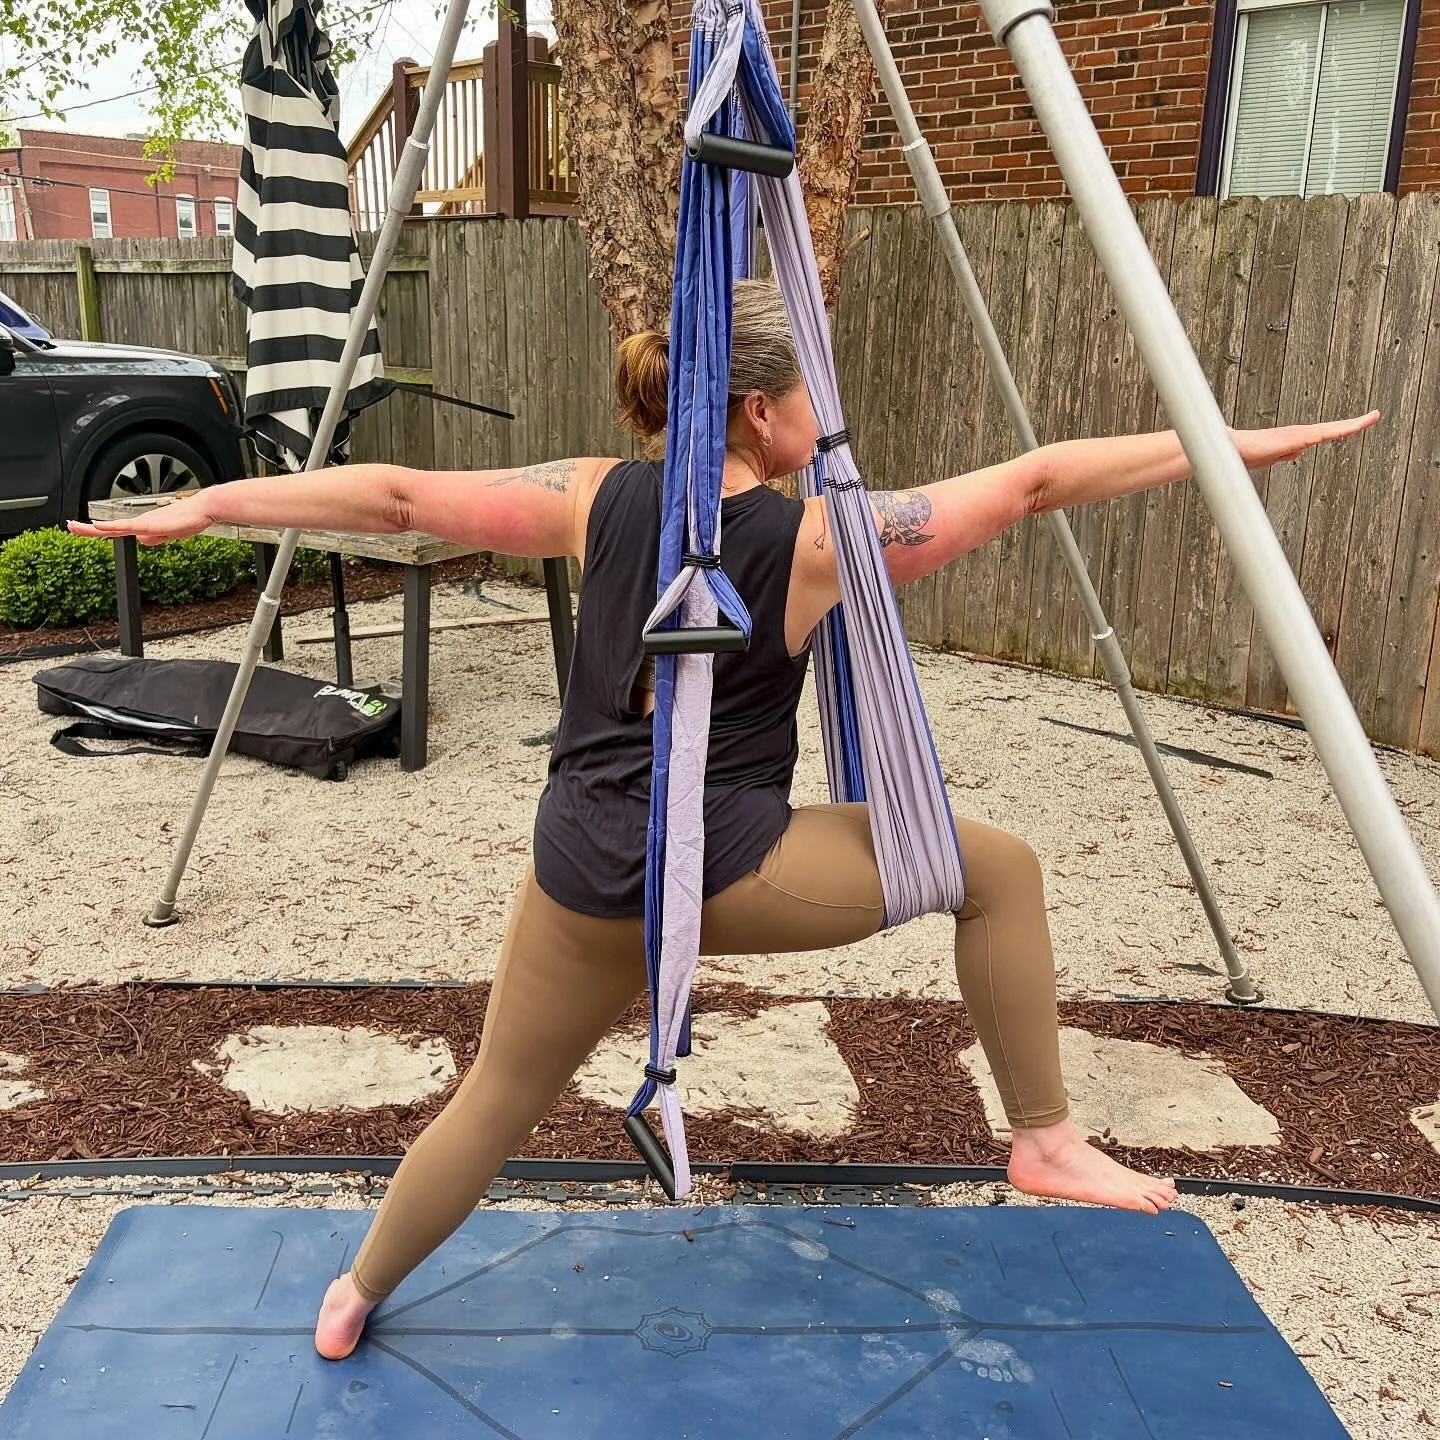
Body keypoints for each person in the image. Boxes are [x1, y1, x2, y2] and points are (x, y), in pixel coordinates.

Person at [72, 280, 1377, 1361]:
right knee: (1000, 872)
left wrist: (212, 504)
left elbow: (401, 498)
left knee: (495, 1096)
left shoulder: (593, 496)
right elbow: (1035, 483)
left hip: (578, 867)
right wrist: (1234, 445)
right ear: (761, 407)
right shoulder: (824, 542)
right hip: (716, 872)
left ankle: (353, 1296)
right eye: (813, 389)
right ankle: (1042, 1138)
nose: (828, 411)